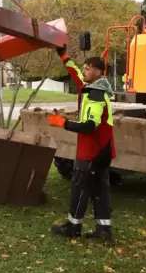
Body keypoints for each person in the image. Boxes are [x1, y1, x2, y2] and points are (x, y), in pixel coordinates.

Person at [46, 45, 115, 243]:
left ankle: (73, 228)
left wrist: (63, 123)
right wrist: (64, 55)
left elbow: (89, 126)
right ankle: (104, 230)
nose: (84, 71)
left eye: (88, 68)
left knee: (80, 187)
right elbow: (75, 73)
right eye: (84, 67)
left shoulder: (95, 95)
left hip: (92, 151)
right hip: (102, 150)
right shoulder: (92, 88)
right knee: (100, 190)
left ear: (98, 72)